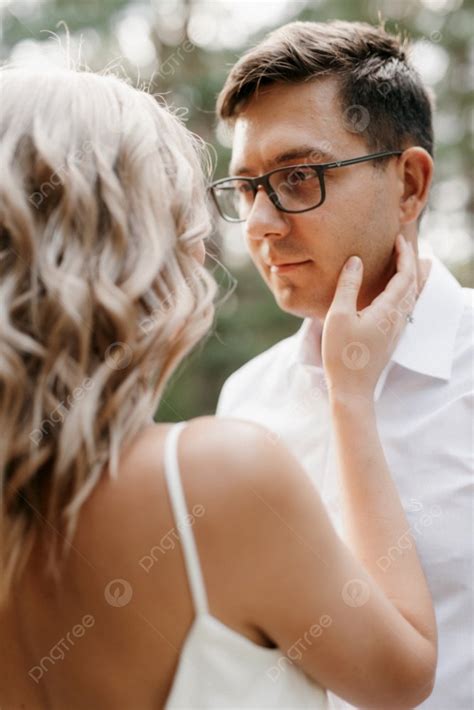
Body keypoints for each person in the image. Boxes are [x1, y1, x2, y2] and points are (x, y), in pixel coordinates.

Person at [0, 66, 437, 710]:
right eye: (227, 195)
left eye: (297, 177)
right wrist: (351, 397)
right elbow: (404, 676)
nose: (250, 226)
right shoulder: (218, 472)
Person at [212, 19, 473, 710]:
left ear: (410, 186)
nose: (261, 224)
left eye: (298, 177)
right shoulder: (246, 398)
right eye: (245, 187)